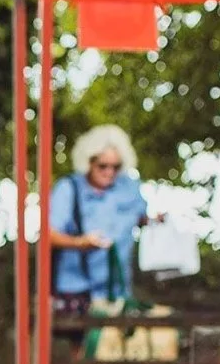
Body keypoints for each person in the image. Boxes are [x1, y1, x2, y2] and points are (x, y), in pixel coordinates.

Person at [45, 125, 154, 314]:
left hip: (117, 292)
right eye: (103, 166)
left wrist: (156, 222)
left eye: (116, 167)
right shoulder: (68, 188)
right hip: (77, 292)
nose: (109, 172)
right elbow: (48, 235)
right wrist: (81, 243)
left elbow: (139, 218)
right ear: (89, 162)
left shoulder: (128, 187)